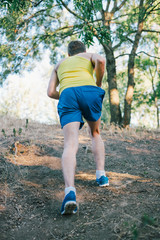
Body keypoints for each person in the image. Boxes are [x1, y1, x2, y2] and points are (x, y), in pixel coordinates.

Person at [47, 40, 109, 215]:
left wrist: (67, 91)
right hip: (89, 91)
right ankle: (101, 175)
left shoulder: (59, 64)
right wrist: (97, 83)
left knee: (70, 144)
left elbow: (51, 92)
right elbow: (102, 61)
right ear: (84, 50)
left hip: (67, 94)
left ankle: (70, 192)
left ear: (68, 54)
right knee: (95, 132)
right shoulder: (88, 56)